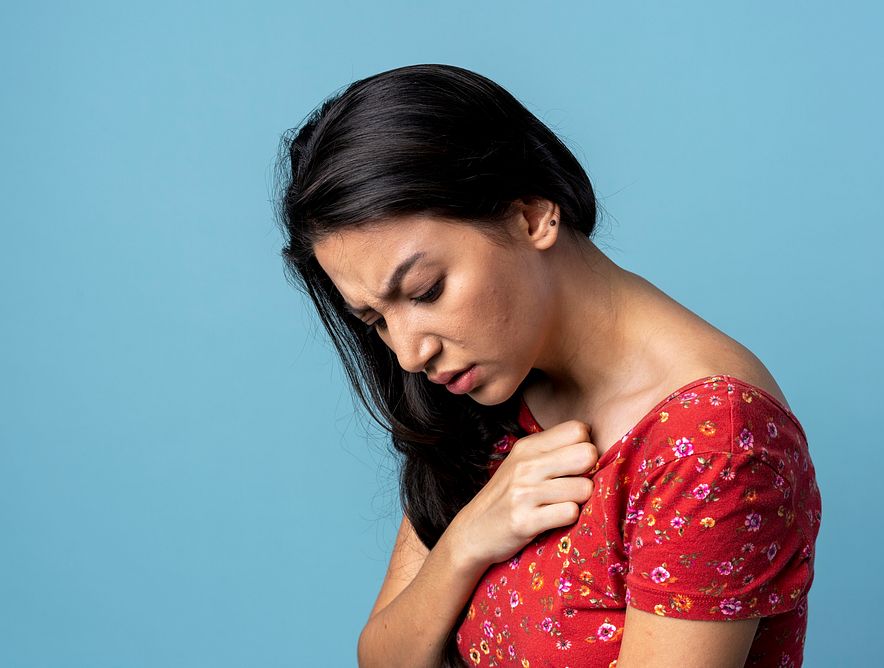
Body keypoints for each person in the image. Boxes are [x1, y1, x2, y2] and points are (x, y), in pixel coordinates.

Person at [274, 63, 822, 668]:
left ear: (532, 214)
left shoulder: (713, 442)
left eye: (426, 291)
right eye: (376, 320)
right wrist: (465, 543)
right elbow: (383, 657)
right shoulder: (488, 385)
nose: (408, 353)